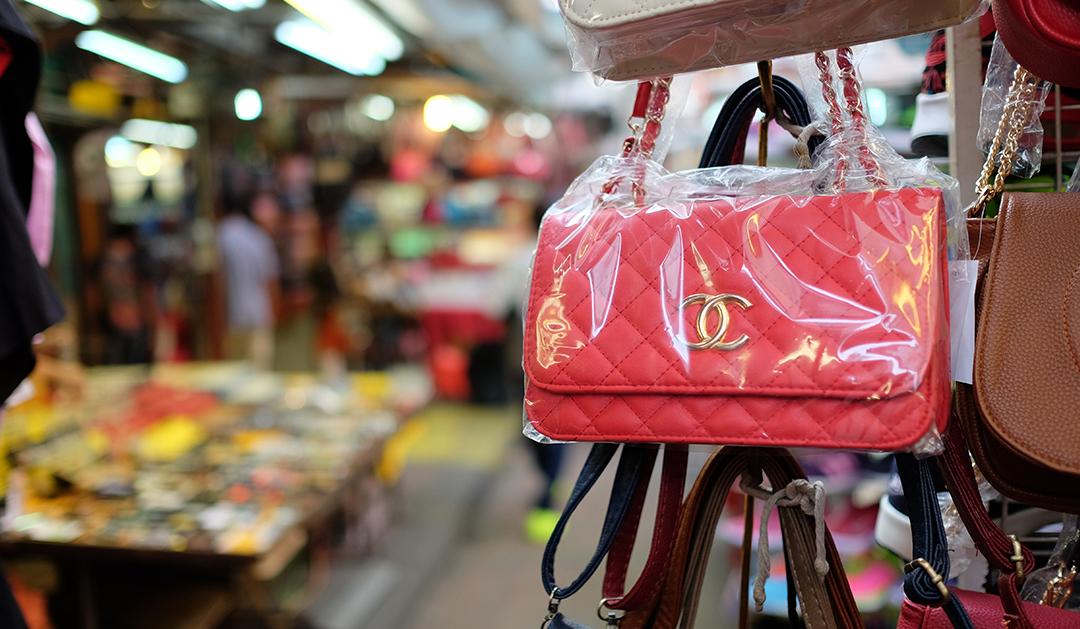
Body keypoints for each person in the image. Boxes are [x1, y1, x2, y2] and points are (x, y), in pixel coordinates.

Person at [216, 192, 279, 369]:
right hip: (259, 314)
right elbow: (270, 281)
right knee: (260, 374)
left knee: (235, 376)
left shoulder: (220, 235)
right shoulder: (258, 236)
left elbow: (218, 284)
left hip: (232, 318)